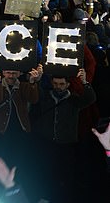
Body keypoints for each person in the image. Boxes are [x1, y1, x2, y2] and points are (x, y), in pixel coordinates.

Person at [32, 69, 96, 202]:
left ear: (67, 84)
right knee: (46, 173)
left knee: (65, 175)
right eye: (55, 84)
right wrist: (37, 80)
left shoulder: (73, 99)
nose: (58, 87)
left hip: (66, 144)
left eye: (61, 84)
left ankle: (63, 198)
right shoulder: (47, 97)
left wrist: (84, 82)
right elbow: (35, 95)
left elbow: (90, 98)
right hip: (48, 142)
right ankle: (45, 197)